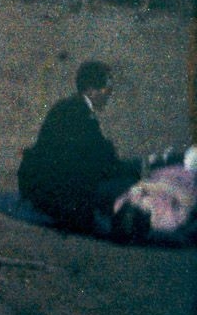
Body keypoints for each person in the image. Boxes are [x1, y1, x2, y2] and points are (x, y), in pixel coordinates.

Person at [17, 61, 140, 233]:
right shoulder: (81, 116)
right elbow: (101, 162)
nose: (109, 93)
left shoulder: (67, 107)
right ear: (90, 90)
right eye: (106, 87)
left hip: (41, 185)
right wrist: (135, 168)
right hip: (56, 193)